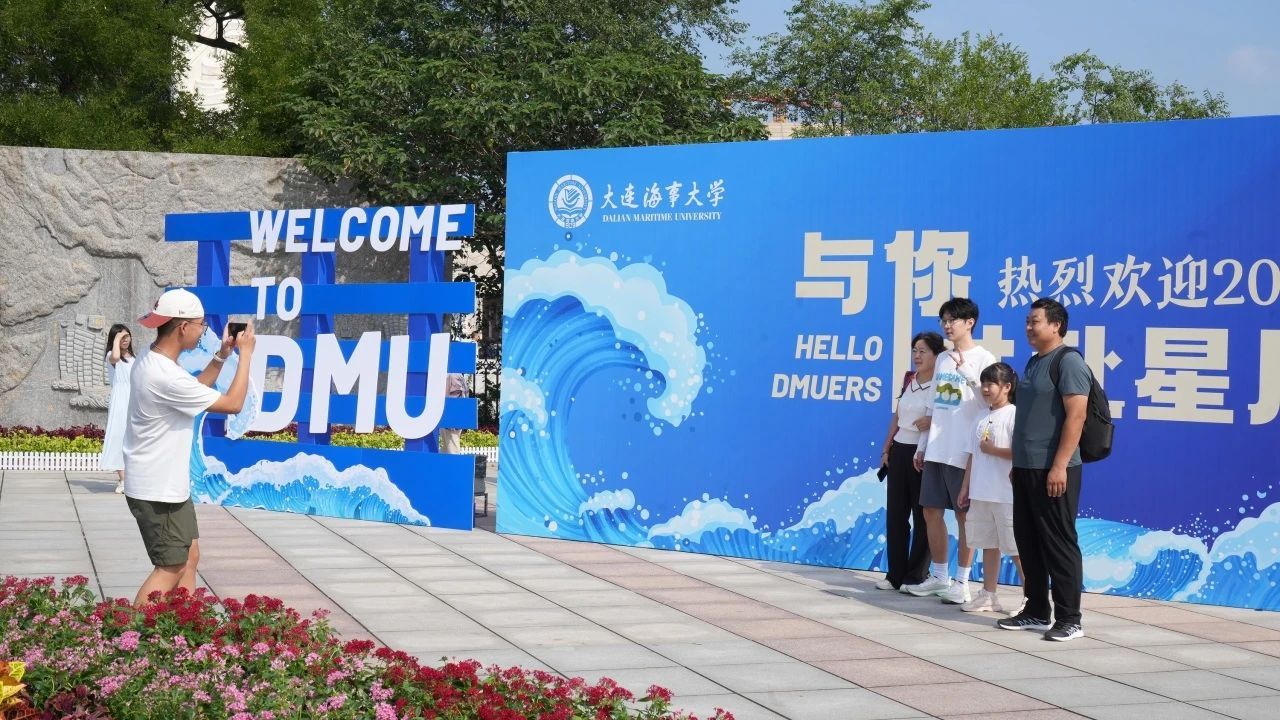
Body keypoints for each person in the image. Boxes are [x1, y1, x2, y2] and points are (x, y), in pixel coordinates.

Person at [124, 289, 254, 607]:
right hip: (157, 490)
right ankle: (129, 632)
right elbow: (234, 404)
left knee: (189, 556)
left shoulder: (153, 359)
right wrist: (246, 355)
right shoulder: (164, 375)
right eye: (201, 325)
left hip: (166, 485)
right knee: (170, 567)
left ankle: (185, 624)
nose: (203, 331)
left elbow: (193, 389)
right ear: (183, 327)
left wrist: (222, 355)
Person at [997, 297, 1090, 641]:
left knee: (1058, 543)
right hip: (1026, 467)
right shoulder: (1035, 361)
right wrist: (1018, 465)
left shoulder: (1069, 362)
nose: (1028, 327)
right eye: (1027, 321)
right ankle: (1036, 610)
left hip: (1053, 468)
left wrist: (1060, 465)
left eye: (1034, 321)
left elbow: (1076, 416)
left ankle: (1070, 619)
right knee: (1029, 541)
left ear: (1056, 325)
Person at [905, 298, 997, 605]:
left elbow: (988, 403)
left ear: (970, 322)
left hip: (963, 451)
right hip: (936, 448)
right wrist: (922, 446)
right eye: (943, 320)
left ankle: (962, 582)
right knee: (930, 511)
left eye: (952, 320)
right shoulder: (943, 358)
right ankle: (940, 576)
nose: (946, 325)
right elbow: (933, 406)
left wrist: (968, 372)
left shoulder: (984, 358)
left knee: (963, 516)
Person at [875, 332, 944, 591]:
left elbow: (951, 418)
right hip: (900, 451)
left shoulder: (941, 385)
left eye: (923, 351)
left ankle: (916, 575)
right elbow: (897, 416)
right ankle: (895, 574)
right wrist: (886, 448)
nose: (917, 355)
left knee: (923, 516)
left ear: (937, 355)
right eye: (915, 350)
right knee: (896, 515)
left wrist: (933, 422)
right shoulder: (909, 379)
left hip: (923, 454)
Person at [956, 363, 1024, 612]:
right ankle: (988, 595)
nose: (985, 389)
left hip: (1006, 494)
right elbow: (973, 455)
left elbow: (1022, 452)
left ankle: (1032, 600)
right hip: (981, 491)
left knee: (1016, 548)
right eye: (983, 384)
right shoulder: (981, 416)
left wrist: (993, 450)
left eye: (991, 384)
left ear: (1007, 387)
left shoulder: (1015, 415)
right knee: (988, 543)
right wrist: (965, 487)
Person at [101, 323, 136, 494]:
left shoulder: (134, 357)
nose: (125, 340)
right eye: (121, 337)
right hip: (121, 399)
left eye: (127, 336)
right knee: (119, 437)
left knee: (134, 439)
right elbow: (115, 356)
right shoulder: (111, 355)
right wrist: (116, 339)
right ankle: (123, 480)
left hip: (134, 398)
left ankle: (133, 478)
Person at [439, 372, 468, 453]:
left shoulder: (452, 375)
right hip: (452, 417)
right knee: (447, 448)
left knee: (452, 448)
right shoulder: (457, 375)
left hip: (450, 418)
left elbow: (456, 397)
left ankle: (454, 462)